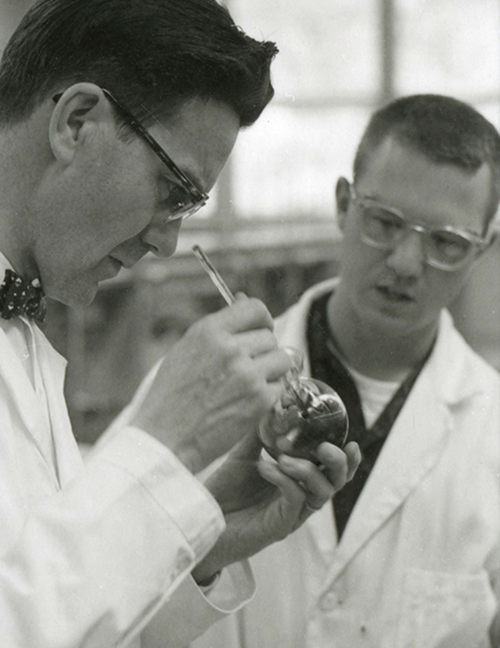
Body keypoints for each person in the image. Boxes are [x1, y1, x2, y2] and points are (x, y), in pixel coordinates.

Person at [0, 1, 361, 646]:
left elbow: (60, 606)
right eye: (176, 191)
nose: (169, 243)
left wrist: (202, 530)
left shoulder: (22, 334)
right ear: (76, 122)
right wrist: (165, 443)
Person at [190, 94, 500, 648]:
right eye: (384, 222)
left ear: (482, 251)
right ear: (342, 204)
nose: (406, 263)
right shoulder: (202, 384)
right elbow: (111, 601)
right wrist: (201, 549)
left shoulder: (490, 426)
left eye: (447, 244)